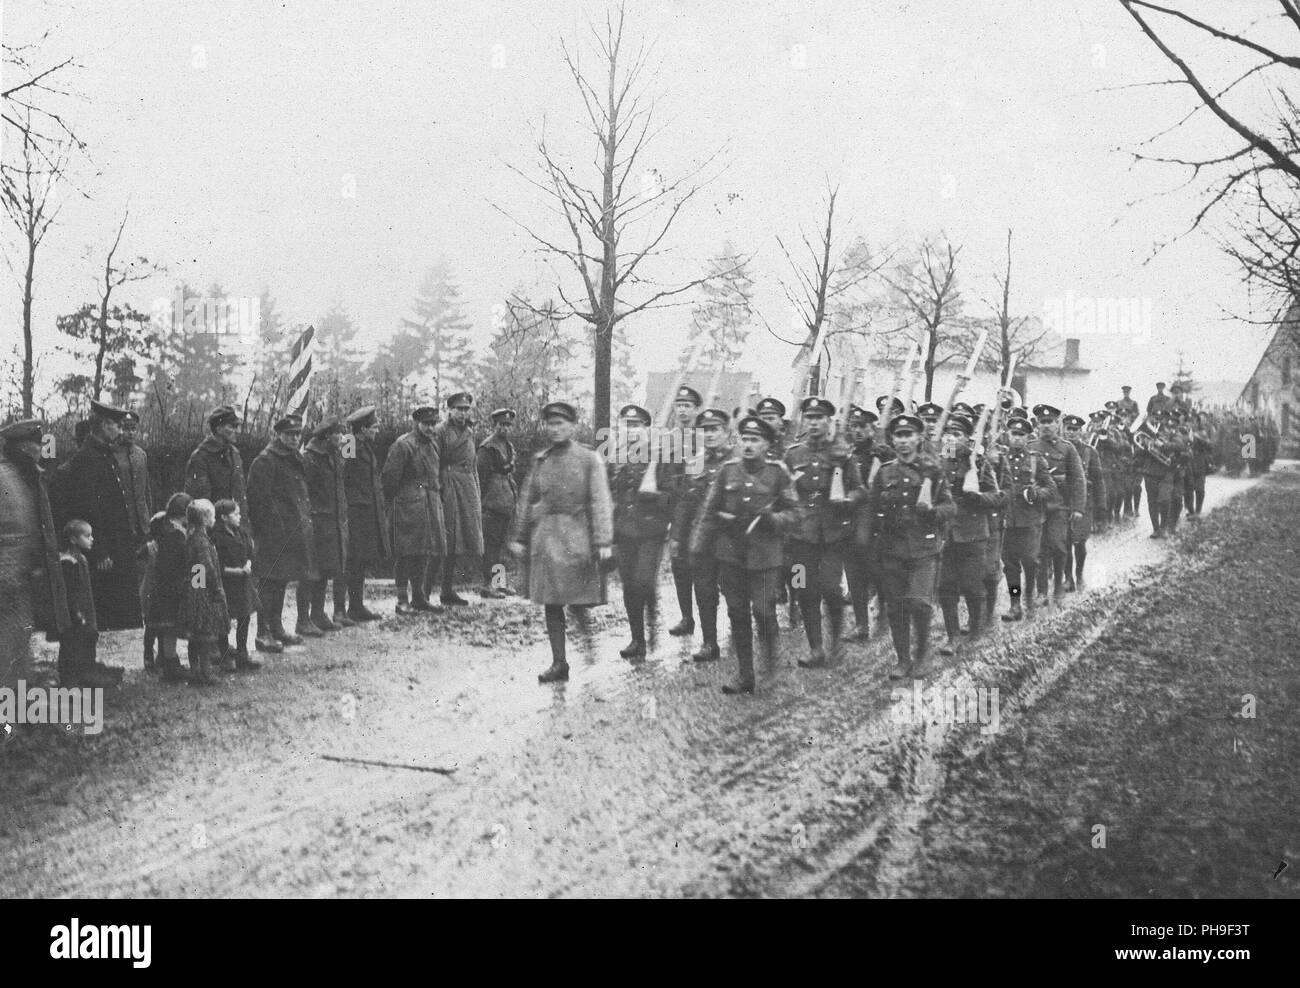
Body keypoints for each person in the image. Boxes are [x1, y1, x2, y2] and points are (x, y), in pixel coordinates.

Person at [690, 415, 800, 694]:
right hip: (730, 554)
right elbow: (709, 513)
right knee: (737, 614)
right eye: (745, 439)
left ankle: (770, 665)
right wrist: (698, 548)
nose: (749, 445)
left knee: (763, 612)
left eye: (755, 440)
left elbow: (796, 514)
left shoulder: (778, 473)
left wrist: (773, 519)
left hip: (765, 557)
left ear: (767, 444)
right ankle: (745, 675)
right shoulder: (727, 471)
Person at [507, 401, 614, 684]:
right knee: (551, 602)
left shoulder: (589, 459)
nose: (555, 430)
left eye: (561, 424)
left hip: (576, 536)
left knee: (576, 599)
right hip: (544, 537)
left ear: (572, 427)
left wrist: (603, 541)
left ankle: (587, 638)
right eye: (551, 424)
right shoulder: (540, 459)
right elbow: (527, 500)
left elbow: (600, 501)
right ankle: (559, 663)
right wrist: (519, 537)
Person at [867, 414, 955, 680]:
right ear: (892, 439)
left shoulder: (933, 471)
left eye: (908, 435)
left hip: (923, 549)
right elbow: (873, 512)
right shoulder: (885, 472)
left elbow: (950, 507)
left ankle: (921, 654)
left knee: (919, 603)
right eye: (898, 436)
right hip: (892, 549)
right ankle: (903, 659)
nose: (903, 441)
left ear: (919, 438)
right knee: (896, 607)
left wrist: (932, 513)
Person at [784, 396, 864, 668]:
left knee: (831, 588)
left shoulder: (842, 454)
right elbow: (783, 490)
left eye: (819, 418)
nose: (814, 422)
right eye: (810, 417)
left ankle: (836, 642)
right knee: (804, 588)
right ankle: (815, 648)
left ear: (829, 421)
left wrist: (847, 500)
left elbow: (859, 489)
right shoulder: (793, 454)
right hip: (800, 536)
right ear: (804, 421)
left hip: (832, 534)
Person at [56, 400, 142, 631]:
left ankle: (93, 661)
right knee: (100, 609)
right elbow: (88, 508)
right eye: (116, 425)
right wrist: (100, 550)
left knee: (108, 610)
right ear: (104, 425)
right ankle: (86, 663)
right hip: (103, 547)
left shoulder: (103, 454)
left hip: (114, 544)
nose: (120, 430)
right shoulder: (88, 458)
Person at [0, 420, 69, 681]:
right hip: (9, 575)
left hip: (20, 573)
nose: (40, 449)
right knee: (10, 639)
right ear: (22, 447)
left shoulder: (27, 475)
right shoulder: (7, 478)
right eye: (34, 445)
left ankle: (17, 703)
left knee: (18, 638)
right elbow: (11, 531)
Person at [607, 403, 674, 660]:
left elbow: (673, 497)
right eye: (626, 425)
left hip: (651, 530)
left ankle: (652, 615)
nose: (631, 430)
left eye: (636, 426)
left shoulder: (660, 457)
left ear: (647, 429)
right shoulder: (617, 458)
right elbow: (611, 493)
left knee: (643, 581)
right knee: (628, 586)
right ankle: (638, 639)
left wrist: (655, 497)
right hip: (625, 530)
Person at [247, 413, 318, 645]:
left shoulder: (293, 457)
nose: (295, 438)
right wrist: (270, 529)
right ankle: (263, 632)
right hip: (273, 533)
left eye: (298, 434)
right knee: (268, 582)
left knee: (281, 580)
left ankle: (276, 628)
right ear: (279, 434)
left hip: (292, 531)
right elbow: (258, 501)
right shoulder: (266, 460)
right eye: (290, 434)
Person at [936, 414, 1002, 656]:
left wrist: (977, 497)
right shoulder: (939, 465)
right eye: (949, 434)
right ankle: (953, 637)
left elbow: (997, 497)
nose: (951, 439)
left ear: (968, 439)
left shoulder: (980, 464)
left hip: (973, 535)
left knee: (972, 585)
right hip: (946, 535)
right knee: (946, 587)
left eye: (958, 434)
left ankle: (975, 628)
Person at [669, 407, 732, 661]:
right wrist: (677, 536)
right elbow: (686, 501)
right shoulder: (695, 461)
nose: (709, 435)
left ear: (727, 432)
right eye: (704, 430)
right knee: (704, 589)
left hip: (731, 537)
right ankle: (709, 643)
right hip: (702, 537)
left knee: (733, 589)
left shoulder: (737, 460)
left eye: (715, 429)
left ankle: (740, 631)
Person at [381, 405, 446, 614]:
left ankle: (418, 597)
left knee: (424, 551)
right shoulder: (404, 445)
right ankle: (402, 600)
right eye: (426, 424)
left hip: (429, 505)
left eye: (433, 424)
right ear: (417, 423)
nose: (430, 428)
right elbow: (389, 479)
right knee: (406, 553)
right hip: (408, 507)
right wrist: (398, 503)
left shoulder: (433, 445)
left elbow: (436, 476)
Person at [998, 417, 1057, 622]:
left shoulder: (1035, 460)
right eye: (1013, 433)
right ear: (1008, 435)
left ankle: (1029, 595)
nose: (1016, 438)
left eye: (1021, 434)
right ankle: (1015, 604)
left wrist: (1035, 493)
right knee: (1010, 564)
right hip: (1007, 519)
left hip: (1031, 520)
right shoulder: (1000, 458)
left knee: (1030, 561)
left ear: (1027, 437)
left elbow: (1050, 488)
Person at [844, 405, 895, 642]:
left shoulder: (883, 453)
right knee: (854, 572)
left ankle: (884, 607)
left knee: (876, 569)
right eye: (853, 426)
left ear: (872, 428)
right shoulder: (847, 454)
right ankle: (861, 625)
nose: (857, 431)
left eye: (862, 426)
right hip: (850, 516)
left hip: (876, 519)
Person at [430, 392, 484, 606]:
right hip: (449, 487)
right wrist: (439, 488)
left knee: (459, 542)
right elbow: (434, 462)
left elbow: (473, 465)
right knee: (444, 540)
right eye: (459, 409)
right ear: (449, 410)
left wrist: (476, 492)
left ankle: (446, 589)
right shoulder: (441, 431)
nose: (463, 413)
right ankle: (423, 592)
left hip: (466, 488)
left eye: (466, 409)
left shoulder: (470, 432)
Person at [1029, 404, 1086, 603]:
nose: (1046, 426)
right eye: (1042, 422)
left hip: (1059, 506)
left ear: (1057, 424)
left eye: (1050, 422)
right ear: (1037, 424)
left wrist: (1078, 508)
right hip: (1035, 507)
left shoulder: (1067, 448)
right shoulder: (1030, 447)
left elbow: (1078, 479)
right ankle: (1042, 590)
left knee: (1059, 546)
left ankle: (1060, 583)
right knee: (1039, 550)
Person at [58, 519, 120, 688]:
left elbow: (85, 582)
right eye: (87, 536)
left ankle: (87, 674)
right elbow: (69, 591)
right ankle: (69, 682)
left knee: (87, 640)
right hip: (76, 612)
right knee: (72, 645)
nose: (92, 539)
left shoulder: (81, 558)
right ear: (73, 539)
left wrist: (99, 573)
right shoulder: (67, 562)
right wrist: (76, 612)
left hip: (86, 609)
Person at [342, 405, 390, 620]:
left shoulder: (366, 446)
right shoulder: (350, 443)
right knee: (351, 561)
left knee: (360, 560)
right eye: (373, 427)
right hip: (354, 512)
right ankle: (343, 609)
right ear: (362, 429)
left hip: (366, 512)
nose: (376, 431)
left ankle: (356, 606)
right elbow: (341, 475)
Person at [303, 416, 350, 631]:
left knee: (324, 569)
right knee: (312, 571)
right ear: (326, 436)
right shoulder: (311, 458)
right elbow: (306, 492)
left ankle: (318, 613)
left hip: (332, 521)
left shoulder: (333, 456)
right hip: (317, 522)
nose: (342, 437)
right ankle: (304, 619)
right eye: (338, 434)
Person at [178, 499, 230, 686]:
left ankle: (194, 669)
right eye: (213, 516)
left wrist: (195, 587)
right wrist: (214, 589)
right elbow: (205, 566)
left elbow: (195, 569)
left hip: (195, 587)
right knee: (206, 633)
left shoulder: (192, 537)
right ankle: (205, 672)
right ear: (206, 519)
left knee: (196, 632)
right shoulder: (202, 541)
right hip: (203, 590)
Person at [141, 494, 191, 683]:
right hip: (170, 590)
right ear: (183, 514)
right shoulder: (176, 535)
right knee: (169, 627)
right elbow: (185, 564)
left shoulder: (168, 530)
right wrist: (197, 584)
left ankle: (167, 660)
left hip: (162, 588)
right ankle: (170, 665)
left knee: (165, 627)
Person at [666, 384, 703, 637]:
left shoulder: (702, 437)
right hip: (673, 507)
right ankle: (686, 617)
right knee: (679, 564)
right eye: (679, 405)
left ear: (696, 409)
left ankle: (709, 621)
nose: (682, 410)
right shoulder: (666, 438)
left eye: (687, 406)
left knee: (702, 565)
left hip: (699, 509)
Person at [212, 498, 260, 670]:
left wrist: (248, 564)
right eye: (235, 514)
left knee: (244, 617)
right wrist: (234, 571)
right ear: (224, 517)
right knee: (224, 622)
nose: (239, 517)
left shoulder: (241, 532)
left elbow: (250, 551)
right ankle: (224, 656)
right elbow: (215, 565)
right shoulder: (216, 537)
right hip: (226, 584)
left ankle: (242, 654)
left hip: (242, 584)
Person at [476, 407, 519, 598]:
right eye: (502, 424)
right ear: (494, 425)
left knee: (501, 544)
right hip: (492, 503)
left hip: (506, 500)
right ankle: (488, 585)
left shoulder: (508, 446)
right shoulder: (487, 448)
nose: (506, 428)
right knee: (491, 545)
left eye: (509, 425)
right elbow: (481, 477)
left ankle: (498, 582)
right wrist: (482, 503)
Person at [184, 405, 250, 527]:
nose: (237, 431)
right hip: (215, 529)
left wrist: (245, 530)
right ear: (219, 429)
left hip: (236, 528)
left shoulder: (234, 454)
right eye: (232, 426)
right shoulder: (201, 457)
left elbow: (240, 494)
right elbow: (201, 503)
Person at [1062, 414, 1106, 591]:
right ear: (1063, 430)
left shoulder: (1089, 452)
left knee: (1079, 542)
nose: (1071, 432)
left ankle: (1079, 574)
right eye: (1069, 429)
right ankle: (1068, 578)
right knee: (1064, 542)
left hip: (1085, 503)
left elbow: (1099, 480)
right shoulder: (1059, 450)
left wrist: (1102, 507)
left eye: (1075, 429)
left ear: (1081, 431)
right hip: (1064, 501)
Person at [114, 409, 152, 548]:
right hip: (123, 521)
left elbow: (146, 490)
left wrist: (149, 518)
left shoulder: (141, 454)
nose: (130, 433)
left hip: (142, 521)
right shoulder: (112, 454)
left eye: (133, 429)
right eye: (126, 429)